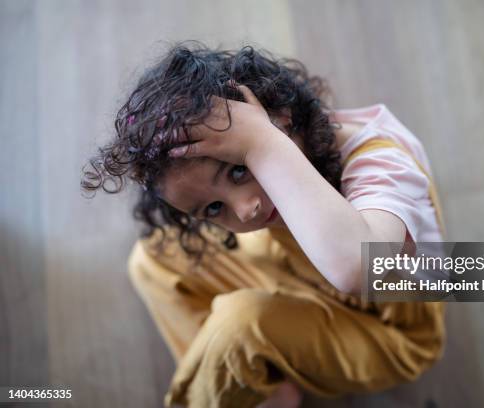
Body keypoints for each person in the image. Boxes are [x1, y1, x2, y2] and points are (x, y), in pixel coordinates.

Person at [81, 42, 447, 408]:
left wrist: (261, 144)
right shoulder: (263, 190)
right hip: (298, 275)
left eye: (239, 169)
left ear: (280, 121)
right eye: (212, 208)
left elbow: (359, 268)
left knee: (239, 326)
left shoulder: (381, 158)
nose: (245, 211)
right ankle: (255, 386)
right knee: (152, 260)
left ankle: (226, 377)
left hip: (387, 330)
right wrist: (256, 148)